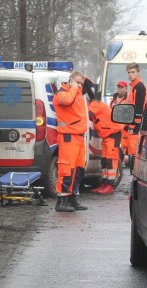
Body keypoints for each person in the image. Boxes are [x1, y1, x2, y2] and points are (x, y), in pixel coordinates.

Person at [52, 71, 90, 212]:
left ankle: (73, 198)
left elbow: (89, 83)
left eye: (81, 83)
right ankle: (61, 201)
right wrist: (74, 85)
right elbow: (67, 100)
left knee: (79, 169)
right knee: (67, 169)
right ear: (70, 81)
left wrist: (79, 83)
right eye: (77, 82)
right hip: (68, 137)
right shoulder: (61, 94)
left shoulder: (77, 93)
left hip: (78, 137)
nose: (80, 86)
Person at [86, 86, 123, 195]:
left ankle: (110, 185)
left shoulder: (95, 104)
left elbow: (85, 115)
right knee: (105, 161)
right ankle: (104, 183)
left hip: (112, 135)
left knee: (111, 160)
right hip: (107, 136)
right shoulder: (96, 104)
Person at [125, 62, 147, 158]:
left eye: (133, 72)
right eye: (129, 72)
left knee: (135, 156)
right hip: (133, 125)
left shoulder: (139, 87)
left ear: (138, 72)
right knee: (132, 155)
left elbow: (139, 109)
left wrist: (135, 127)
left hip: (136, 127)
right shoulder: (134, 87)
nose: (130, 74)